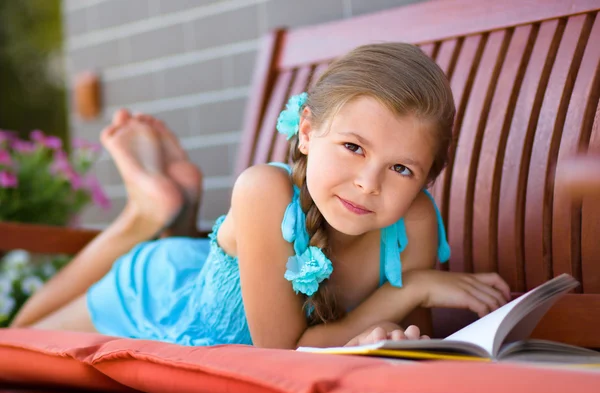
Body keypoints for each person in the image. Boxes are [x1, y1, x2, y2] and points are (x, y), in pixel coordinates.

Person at [11, 43, 511, 349]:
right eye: (353, 147)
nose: (369, 183)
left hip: (214, 268)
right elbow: (283, 352)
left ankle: (158, 213)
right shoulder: (263, 190)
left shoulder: (415, 219)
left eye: (401, 168)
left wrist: (393, 331)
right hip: (157, 299)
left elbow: (405, 342)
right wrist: (412, 289)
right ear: (309, 132)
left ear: (425, 180)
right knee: (13, 337)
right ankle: (144, 218)